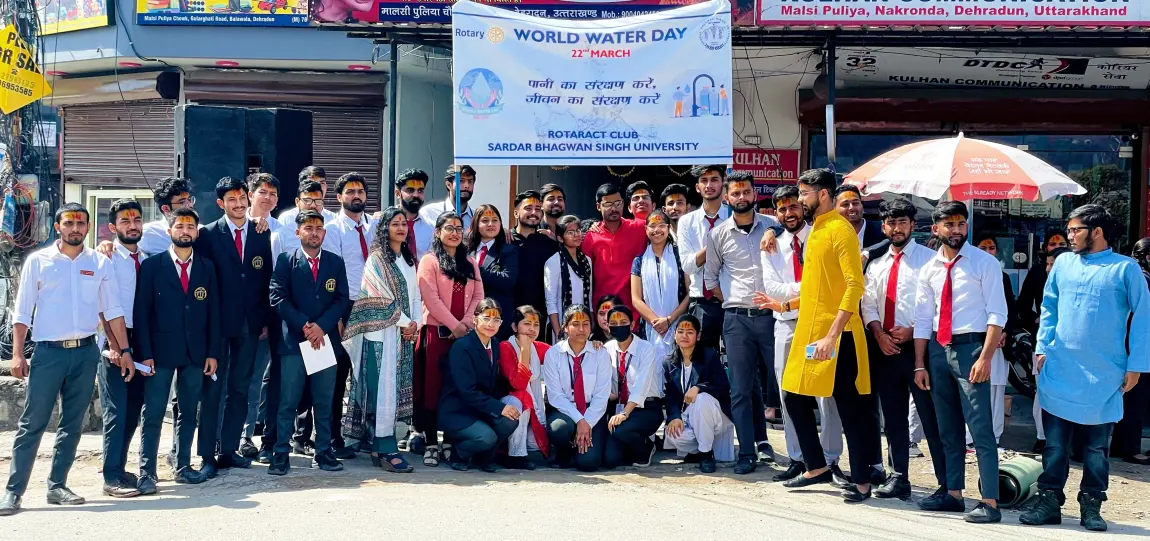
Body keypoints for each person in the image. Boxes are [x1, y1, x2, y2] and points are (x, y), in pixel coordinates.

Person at [1020, 205, 1149, 532]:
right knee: (1055, 446)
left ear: (1097, 231)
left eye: (1076, 229)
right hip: (1060, 369)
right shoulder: (1062, 263)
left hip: (1104, 375)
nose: (1069, 235)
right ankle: (1049, 502)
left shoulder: (1125, 269)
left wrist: (1136, 365)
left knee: (1095, 450)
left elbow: (1144, 318)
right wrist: (1041, 347)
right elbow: (1048, 307)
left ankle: (1092, 505)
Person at [0, 204, 135, 515]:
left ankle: (57, 485)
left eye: (81, 223)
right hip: (48, 353)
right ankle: (13, 492)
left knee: (72, 424)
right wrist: (17, 355)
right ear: (58, 227)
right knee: (32, 423)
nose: (76, 228)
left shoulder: (99, 263)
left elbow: (112, 311)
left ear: (88, 227)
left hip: (85, 352)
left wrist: (124, 351)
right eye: (69, 223)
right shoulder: (39, 261)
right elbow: (22, 312)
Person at [779, 169, 881, 504]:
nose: (800, 199)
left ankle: (863, 481)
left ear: (823, 194)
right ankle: (816, 466)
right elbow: (817, 288)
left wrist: (833, 336)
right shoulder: (816, 231)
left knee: (850, 408)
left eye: (804, 193)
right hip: (811, 334)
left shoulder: (840, 230)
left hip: (839, 337)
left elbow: (854, 286)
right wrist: (784, 303)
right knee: (793, 395)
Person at [913, 201, 1007, 523]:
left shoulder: (984, 263)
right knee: (948, 429)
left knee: (980, 429)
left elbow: (998, 314)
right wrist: (919, 364)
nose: (956, 230)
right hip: (938, 351)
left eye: (961, 224)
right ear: (936, 228)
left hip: (972, 350)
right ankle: (953, 494)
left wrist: (985, 357)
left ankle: (990, 502)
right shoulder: (928, 270)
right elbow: (923, 319)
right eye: (949, 225)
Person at [754, 185, 845, 484]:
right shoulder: (771, 245)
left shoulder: (819, 237)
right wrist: (807, 288)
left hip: (819, 325)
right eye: (781, 209)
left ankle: (830, 459)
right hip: (787, 324)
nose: (788, 213)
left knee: (825, 393)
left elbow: (828, 282)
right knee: (787, 391)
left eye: (793, 206)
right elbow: (773, 289)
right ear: (775, 214)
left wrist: (800, 289)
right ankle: (798, 457)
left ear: (803, 207)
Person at [860, 196, 947, 500]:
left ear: (913, 225)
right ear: (883, 226)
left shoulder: (929, 259)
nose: (896, 228)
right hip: (884, 349)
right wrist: (878, 334)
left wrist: (913, 331)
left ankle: (947, 483)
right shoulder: (876, 264)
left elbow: (938, 304)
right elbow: (867, 304)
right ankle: (899, 477)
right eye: (891, 223)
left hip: (918, 350)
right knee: (893, 418)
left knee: (930, 417)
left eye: (902, 222)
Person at [192, 176, 274, 478]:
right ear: (220, 204)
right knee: (214, 388)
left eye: (242, 198)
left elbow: (266, 279)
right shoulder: (207, 235)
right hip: (217, 325)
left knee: (240, 389)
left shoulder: (261, 232)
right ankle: (207, 453)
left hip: (250, 325)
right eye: (232, 200)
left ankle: (228, 450)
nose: (239, 204)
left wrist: (263, 318)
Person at [135, 207, 220, 488]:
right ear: (170, 231)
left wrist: (212, 352)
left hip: (195, 353)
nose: (185, 231)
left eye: (190, 226)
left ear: (197, 231)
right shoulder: (152, 266)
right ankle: (147, 471)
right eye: (180, 226)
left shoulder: (207, 267)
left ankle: (182, 464)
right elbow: (142, 313)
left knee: (187, 410)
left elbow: (213, 314)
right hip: (159, 353)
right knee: (155, 411)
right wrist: (144, 353)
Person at [703, 170, 781, 474]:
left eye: (746, 192)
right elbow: (710, 277)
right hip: (736, 320)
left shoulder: (773, 227)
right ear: (727, 198)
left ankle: (803, 457)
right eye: (735, 194)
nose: (741, 198)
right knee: (740, 388)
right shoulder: (718, 234)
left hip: (774, 317)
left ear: (754, 193)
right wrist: (732, 300)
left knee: (783, 385)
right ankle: (747, 451)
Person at [266, 211, 349, 476]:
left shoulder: (335, 262)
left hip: (323, 341)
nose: (314, 232)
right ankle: (280, 453)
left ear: (324, 233)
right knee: (288, 401)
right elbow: (278, 297)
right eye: (308, 228)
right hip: (294, 341)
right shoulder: (286, 261)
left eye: (318, 228)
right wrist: (305, 325)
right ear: (298, 232)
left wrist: (321, 328)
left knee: (323, 401)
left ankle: (323, 451)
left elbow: (341, 300)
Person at [341, 207, 421, 473]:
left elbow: (416, 296)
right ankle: (384, 446)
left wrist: (416, 324)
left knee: (396, 390)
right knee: (382, 390)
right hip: (380, 335)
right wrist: (404, 322)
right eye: (395, 223)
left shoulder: (409, 261)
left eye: (404, 224)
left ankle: (382, 443)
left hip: (403, 335)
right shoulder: (376, 259)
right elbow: (378, 298)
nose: (401, 227)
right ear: (384, 228)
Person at [414, 212, 485, 467]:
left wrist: (465, 324)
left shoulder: (470, 263)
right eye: (448, 228)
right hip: (436, 335)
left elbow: (478, 296)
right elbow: (430, 299)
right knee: (432, 389)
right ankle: (431, 443)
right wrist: (454, 325)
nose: (455, 233)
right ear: (437, 232)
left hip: (463, 337)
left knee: (456, 388)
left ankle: (451, 442)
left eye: (458, 228)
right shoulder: (429, 261)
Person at [96, 199, 152, 498]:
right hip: (116, 340)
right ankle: (111, 475)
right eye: (126, 221)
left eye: (137, 220)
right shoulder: (105, 258)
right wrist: (116, 346)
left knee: (133, 409)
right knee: (116, 409)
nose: (133, 225)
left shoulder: (147, 257)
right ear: (112, 227)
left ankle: (119, 466)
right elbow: (103, 306)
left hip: (143, 339)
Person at [322, 172, 376, 459]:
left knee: (368, 373)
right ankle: (333, 437)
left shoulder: (375, 227)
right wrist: (338, 315)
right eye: (350, 191)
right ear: (339, 196)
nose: (356, 195)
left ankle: (366, 432)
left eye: (360, 191)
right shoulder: (333, 230)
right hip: (346, 306)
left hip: (374, 306)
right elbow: (333, 272)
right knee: (339, 372)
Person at [439, 299, 518, 472]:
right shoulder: (462, 346)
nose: (491, 324)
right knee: (486, 437)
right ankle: (458, 454)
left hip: (479, 408)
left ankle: (484, 458)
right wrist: (499, 407)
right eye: (486, 318)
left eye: (496, 320)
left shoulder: (495, 344)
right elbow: (467, 391)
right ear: (475, 319)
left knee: (510, 421)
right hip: (457, 411)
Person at [544, 305, 614, 471]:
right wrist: (580, 421)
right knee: (559, 428)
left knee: (588, 463)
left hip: (592, 411)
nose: (581, 329)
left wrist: (587, 422)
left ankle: (581, 447)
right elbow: (556, 396)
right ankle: (564, 451)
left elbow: (601, 395)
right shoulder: (553, 354)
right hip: (564, 410)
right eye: (575, 324)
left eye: (586, 324)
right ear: (565, 327)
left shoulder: (601, 353)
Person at [662, 315, 734, 473]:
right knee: (672, 434)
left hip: (716, 415)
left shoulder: (709, 355)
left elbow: (723, 387)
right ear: (674, 334)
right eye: (680, 331)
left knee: (701, 400)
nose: (684, 336)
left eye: (690, 332)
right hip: (689, 416)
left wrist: (700, 388)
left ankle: (706, 454)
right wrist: (674, 416)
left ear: (698, 335)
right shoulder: (669, 362)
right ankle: (697, 450)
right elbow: (671, 396)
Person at [241, 173, 280, 459]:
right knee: (232, 379)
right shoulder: (230, 227)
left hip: (267, 319)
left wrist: (268, 318)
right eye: (262, 192)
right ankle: (220, 436)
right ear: (250, 194)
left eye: (272, 194)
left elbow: (278, 279)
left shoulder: (283, 231)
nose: (267, 198)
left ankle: (246, 436)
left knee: (256, 380)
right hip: (235, 320)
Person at [603, 306, 665, 468]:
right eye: (613, 323)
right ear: (608, 326)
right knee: (610, 460)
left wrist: (625, 413)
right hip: (618, 406)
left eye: (623, 322)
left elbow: (641, 386)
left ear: (632, 325)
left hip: (646, 407)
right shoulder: (606, 348)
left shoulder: (646, 348)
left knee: (621, 430)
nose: (618, 326)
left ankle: (646, 447)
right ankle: (631, 445)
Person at [973, 234, 1019, 446]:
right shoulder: (967, 273)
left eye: (991, 248)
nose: (987, 252)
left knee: (996, 388)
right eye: (983, 247)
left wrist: (1004, 332)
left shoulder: (1003, 277)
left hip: (998, 342)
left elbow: (1010, 309)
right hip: (972, 341)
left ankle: (995, 436)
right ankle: (970, 438)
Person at [679, 164, 730, 350]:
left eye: (714, 179)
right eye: (704, 180)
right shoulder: (687, 221)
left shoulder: (735, 216)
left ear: (723, 182)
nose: (709, 185)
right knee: (702, 363)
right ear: (697, 187)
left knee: (736, 363)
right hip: (701, 303)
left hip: (731, 301)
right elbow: (687, 265)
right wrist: (715, 245)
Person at [631, 210, 688, 362]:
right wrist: (657, 322)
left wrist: (669, 320)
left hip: (678, 325)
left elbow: (690, 293)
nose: (657, 230)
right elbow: (636, 299)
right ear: (646, 229)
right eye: (652, 226)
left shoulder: (680, 255)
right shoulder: (639, 260)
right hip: (650, 327)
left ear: (668, 228)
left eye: (661, 225)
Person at [584, 183, 648, 317]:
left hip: (636, 311)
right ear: (598, 206)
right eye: (608, 205)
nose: (614, 208)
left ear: (624, 204)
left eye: (618, 203)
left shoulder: (639, 228)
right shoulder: (591, 236)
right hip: (603, 312)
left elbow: (663, 226)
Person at [499, 306, 551, 470]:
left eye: (536, 325)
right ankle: (516, 455)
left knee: (538, 445)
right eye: (527, 323)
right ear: (515, 327)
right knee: (521, 397)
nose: (532, 329)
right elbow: (519, 384)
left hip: (530, 410)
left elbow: (565, 350)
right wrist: (524, 350)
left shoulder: (540, 347)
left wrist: (594, 344)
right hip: (507, 405)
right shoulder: (505, 347)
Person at [1113, 237, 1150, 465]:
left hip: (1130, 344)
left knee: (1130, 397)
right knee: (1137, 397)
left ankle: (1121, 445)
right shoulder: (1142, 278)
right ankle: (1131, 448)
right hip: (1136, 345)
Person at [1030, 246, 1071, 453]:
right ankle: (1043, 437)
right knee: (1043, 392)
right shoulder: (1041, 281)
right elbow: (1024, 306)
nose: (1048, 269)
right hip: (1044, 346)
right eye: (1047, 264)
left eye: (1052, 265)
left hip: (1070, 350)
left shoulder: (1074, 285)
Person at [511, 190, 559, 338]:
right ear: (516, 213)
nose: (534, 213)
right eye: (528, 208)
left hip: (539, 318)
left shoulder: (549, 243)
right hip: (510, 315)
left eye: (538, 209)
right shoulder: (505, 241)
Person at [469, 204, 519, 340]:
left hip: (497, 317)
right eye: (485, 220)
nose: (490, 224)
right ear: (476, 223)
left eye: (495, 220)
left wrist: (476, 270)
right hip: (469, 315)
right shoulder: (466, 250)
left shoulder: (508, 250)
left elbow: (507, 280)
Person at [544, 215, 593, 342]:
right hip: (562, 325)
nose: (576, 235)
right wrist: (558, 332)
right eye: (570, 232)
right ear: (560, 238)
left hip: (583, 323)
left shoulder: (587, 261)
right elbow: (551, 301)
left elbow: (590, 297)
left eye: (578, 230)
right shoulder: (553, 262)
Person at [1016, 229, 1070, 335]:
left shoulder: (1077, 270)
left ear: (1068, 246)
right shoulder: (1037, 271)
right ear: (1045, 247)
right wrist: (1036, 321)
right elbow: (1024, 304)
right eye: (1052, 244)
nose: (1057, 247)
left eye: (1062, 244)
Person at [139, 177, 196, 253]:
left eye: (189, 200)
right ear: (166, 208)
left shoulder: (202, 231)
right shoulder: (148, 233)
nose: (189, 205)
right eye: (182, 202)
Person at [392, 168, 433, 260]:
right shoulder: (383, 224)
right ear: (398, 193)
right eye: (410, 190)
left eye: (420, 190)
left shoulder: (431, 228)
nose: (416, 195)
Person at [421, 164, 476, 232]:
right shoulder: (429, 213)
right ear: (449, 185)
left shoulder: (477, 218)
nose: (466, 186)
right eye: (461, 181)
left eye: (470, 181)